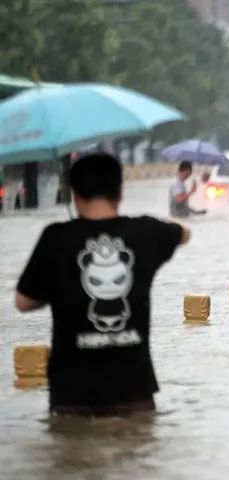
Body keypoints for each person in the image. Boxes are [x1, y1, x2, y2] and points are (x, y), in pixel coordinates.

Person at [14, 153, 190, 417]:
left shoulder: (56, 237)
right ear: (120, 190)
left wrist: (63, 287)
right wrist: (154, 224)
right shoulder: (145, 232)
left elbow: (23, 302)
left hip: (71, 395)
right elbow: (184, 233)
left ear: (74, 193)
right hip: (134, 392)